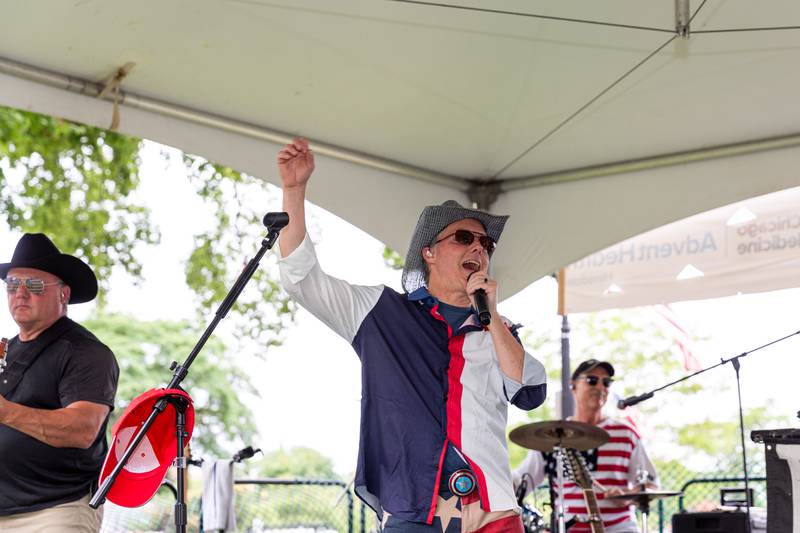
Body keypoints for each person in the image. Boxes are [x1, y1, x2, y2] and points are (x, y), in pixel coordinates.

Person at [276, 138, 548, 532]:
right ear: (429, 252)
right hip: (413, 509)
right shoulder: (380, 312)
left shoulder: (497, 330)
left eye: (485, 243)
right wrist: (294, 191)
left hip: (494, 509)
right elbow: (302, 280)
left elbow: (530, 392)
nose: (480, 248)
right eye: (464, 238)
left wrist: (493, 318)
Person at [0, 233, 119, 532]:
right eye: (12, 285)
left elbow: (82, 430)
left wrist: (4, 411)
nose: (20, 294)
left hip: (56, 511)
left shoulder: (85, 352)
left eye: (35, 285)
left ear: (64, 295)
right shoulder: (8, 348)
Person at [513, 359, 658, 533]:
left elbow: (650, 486)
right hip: (570, 528)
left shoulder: (626, 434)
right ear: (573, 385)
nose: (600, 387)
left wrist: (628, 497)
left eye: (606, 382)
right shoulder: (552, 435)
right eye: (592, 380)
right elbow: (520, 482)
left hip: (620, 528)